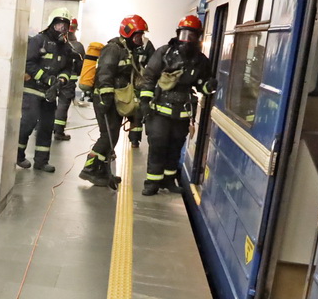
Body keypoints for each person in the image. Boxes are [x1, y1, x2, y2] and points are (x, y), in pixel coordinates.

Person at [138, 14, 216, 196]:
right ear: (178, 34)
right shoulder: (164, 53)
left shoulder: (201, 61)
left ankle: (168, 180)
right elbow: (149, 77)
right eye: (184, 34)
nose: (187, 40)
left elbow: (201, 86)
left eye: (191, 35)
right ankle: (152, 183)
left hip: (182, 114)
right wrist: (145, 101)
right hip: (160, 111)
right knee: (158, 145)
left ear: (198, 37)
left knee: (175, 147)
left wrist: (209, 86)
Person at [80, 15, 155, 188]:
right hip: (105, 99)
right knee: (107, 135)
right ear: (128, 33)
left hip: (117, 100)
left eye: (141, 36)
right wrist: (105, 98)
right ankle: (89, 168)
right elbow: (105, 73)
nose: (140, 39)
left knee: (113, 135)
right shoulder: (113, 49)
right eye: (137, 35)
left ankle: (103, 171)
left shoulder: (129, 51)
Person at [18, 8, 75, 172]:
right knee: (28, 122)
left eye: (65, 26)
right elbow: (28, 63)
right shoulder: (38, 41)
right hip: (33, 89)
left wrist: (61, 81)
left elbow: (67, 68)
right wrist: (47, 78)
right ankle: (18, 155)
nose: (61, 29)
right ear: (51, 24)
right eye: (58, 25)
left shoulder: (66, 47)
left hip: (50, 93)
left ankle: (41, 161)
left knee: (47, 126)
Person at [53, 18, 85, 142]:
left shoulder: (55, 42)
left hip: (53, 78)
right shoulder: (78, 46)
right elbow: (80, 66)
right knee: (63, 105)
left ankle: (41, 127)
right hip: (69, 81)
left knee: (48, 103)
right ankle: (58, 131)